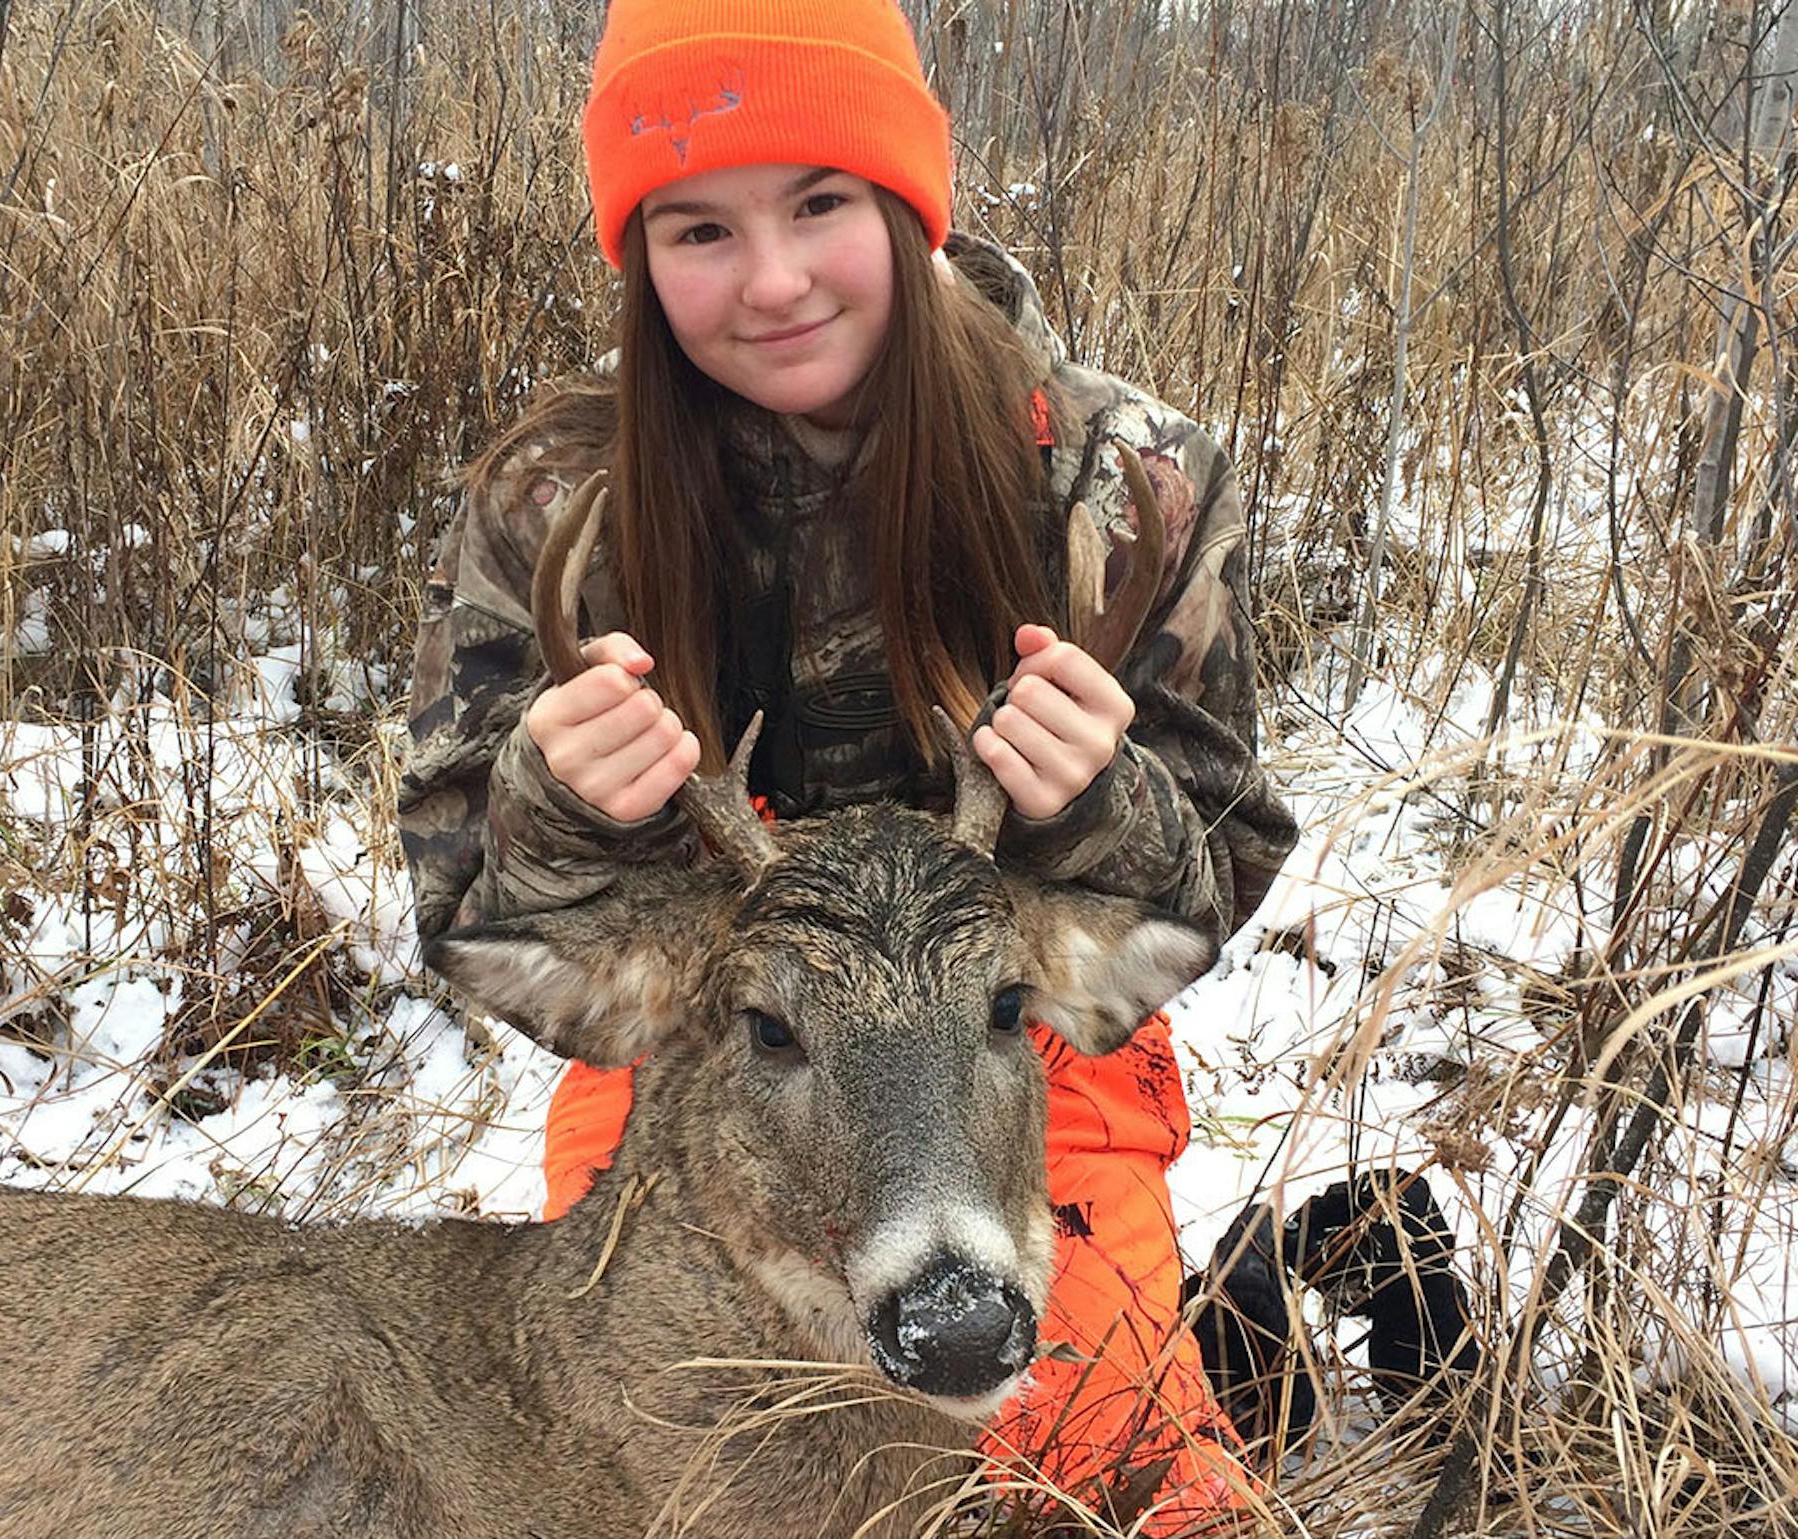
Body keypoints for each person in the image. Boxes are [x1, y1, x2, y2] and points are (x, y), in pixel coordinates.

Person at [397, 0, 1299, 1529]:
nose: (772, 282)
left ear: (905, 202)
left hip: (1023, 1051)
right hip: (722, 1056)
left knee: (1125, 1495)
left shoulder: (1124, 483)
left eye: (821, 202)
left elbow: (1211, 875)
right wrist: (558, 807)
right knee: (647, 1465)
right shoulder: (559, 503)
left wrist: (1099, 802)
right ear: (638, 259)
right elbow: (480, 923)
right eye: (696, 230)